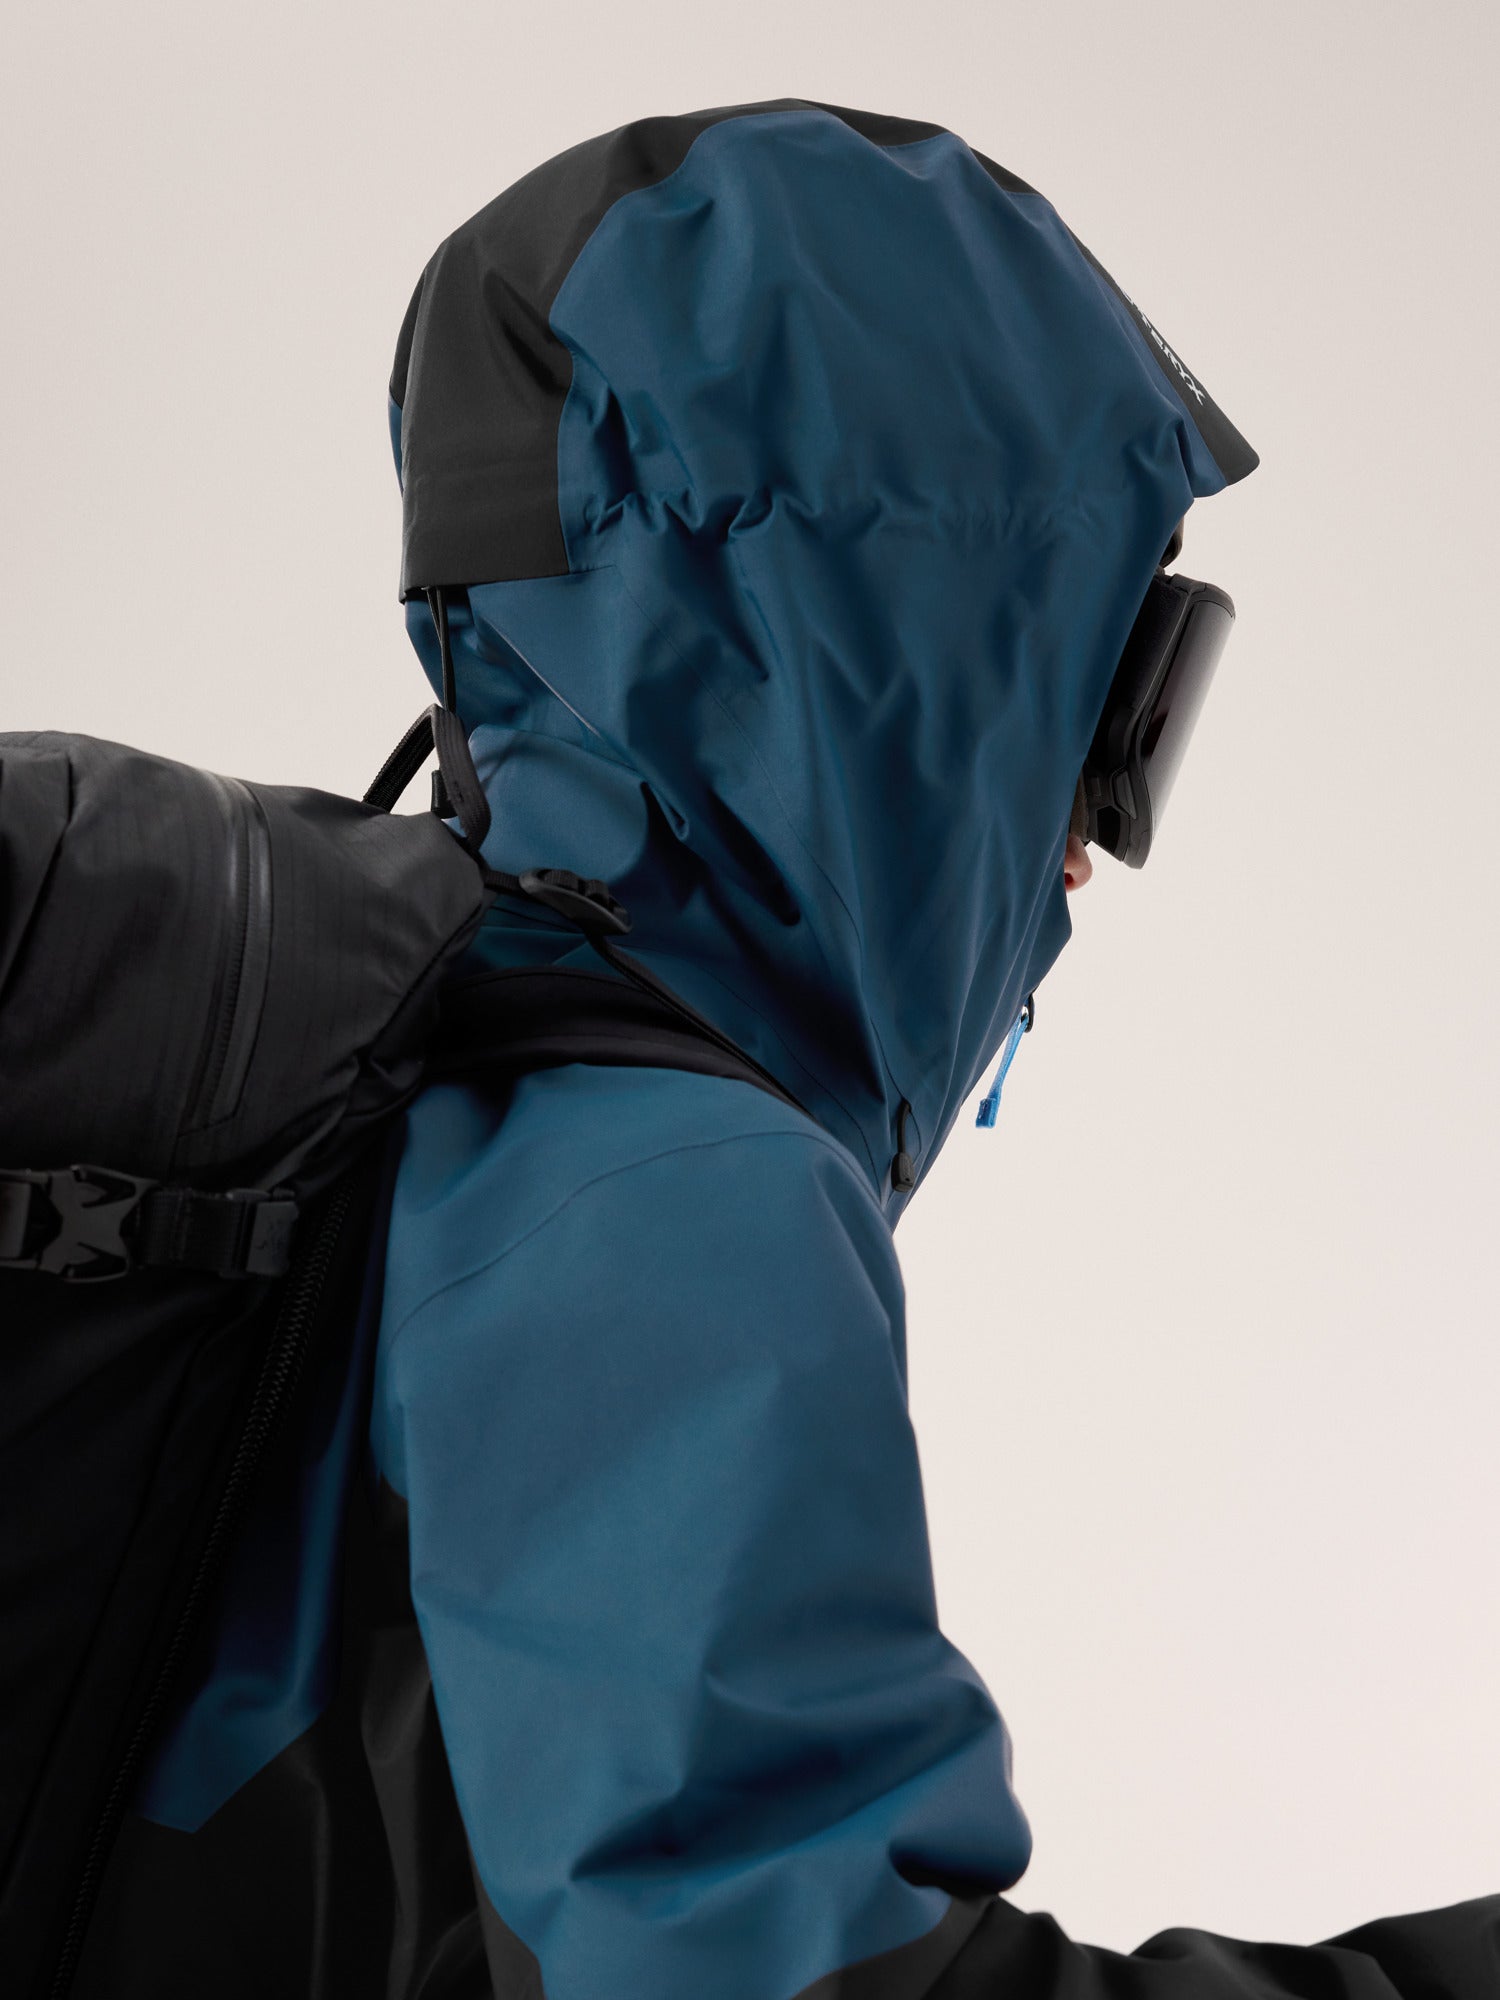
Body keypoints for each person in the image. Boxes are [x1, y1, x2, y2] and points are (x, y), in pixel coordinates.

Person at [75, 97, 1496, 2000]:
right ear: (924, 654)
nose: (1099, 834)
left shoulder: (417, 1091)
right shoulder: (655, 1183)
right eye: (1106, 686)